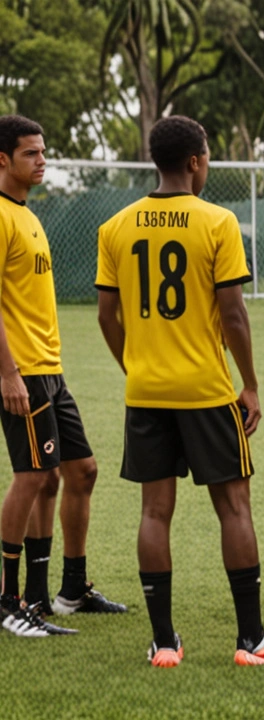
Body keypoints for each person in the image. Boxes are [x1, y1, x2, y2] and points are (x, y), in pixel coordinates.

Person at [96, 115, 264, 667]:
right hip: (207, 391)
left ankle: (165, 643)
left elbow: (107, 314)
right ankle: (252, 640)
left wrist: (136, 364)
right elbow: (233, 315)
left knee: (154, 512)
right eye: (209, 156)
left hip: (145, 392)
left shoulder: (115, 226)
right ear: (195, 161)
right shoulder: (217, 222)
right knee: (234, 508)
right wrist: (252, 385)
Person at [0, 115, 124, 639]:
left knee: (82, 471)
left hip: (50, 370)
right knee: (32, 476)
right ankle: (10, 601)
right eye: (30, 153)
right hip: (21, 372)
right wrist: (7, 372)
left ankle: (67, 591)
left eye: (43, 152)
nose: (42, 160)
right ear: (2, 160)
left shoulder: (28, 214)